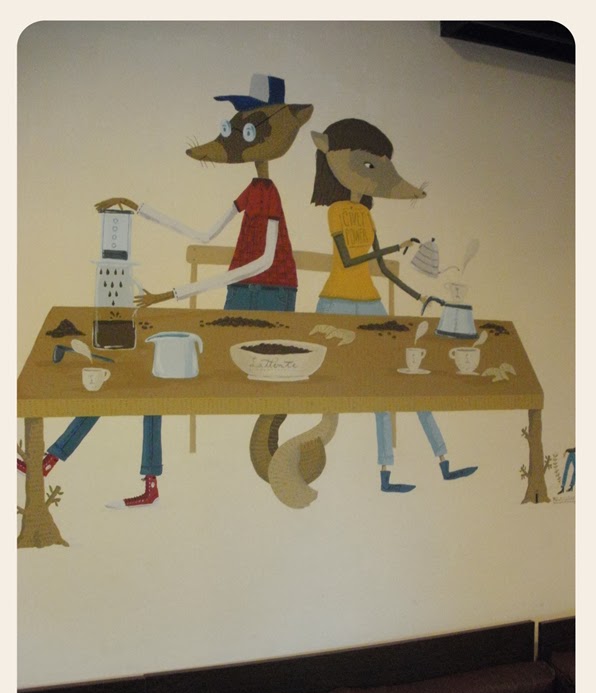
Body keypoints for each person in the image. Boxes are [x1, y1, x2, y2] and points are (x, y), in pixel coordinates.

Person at [18, 75, 313, 508]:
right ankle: (81, 465)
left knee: (163, 380)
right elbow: (204, 234)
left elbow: (262, 263)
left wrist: (171, 294)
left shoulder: (269, 193)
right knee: (146, 378)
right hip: (242, 292)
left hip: (270, 297)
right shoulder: (254, 189)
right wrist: (140, 209)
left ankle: (60, 460)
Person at [310, 118, 477, 492]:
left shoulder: (366, 215)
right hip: (336, 302)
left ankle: (443, 460)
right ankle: (386, 472)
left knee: (402, 379)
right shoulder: (336, 211)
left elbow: (382, 268)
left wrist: (419, 296)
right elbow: (350, 260)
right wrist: (393, 247)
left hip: (369, 301)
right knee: (370, 388)